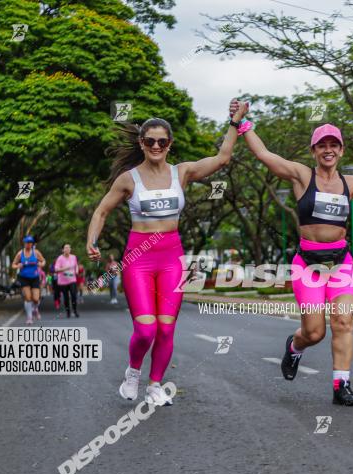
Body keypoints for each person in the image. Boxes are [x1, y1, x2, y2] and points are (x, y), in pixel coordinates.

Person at [231, 99, 353, 406]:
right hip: (307, 265)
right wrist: (242, 123)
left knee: (343, 322)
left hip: (341, 263)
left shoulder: (352, 183)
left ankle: (341, 385)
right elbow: (265, 155)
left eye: (334, 145)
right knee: (315, 332)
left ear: (341, 151)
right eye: (322, 145)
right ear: (314, 151)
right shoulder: (301, 176)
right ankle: (294, 347)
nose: (328, 150)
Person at [87, 104, 248, 406]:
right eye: (150, 141)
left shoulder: (182, 172)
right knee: (146, 330)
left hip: (172, 258)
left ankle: (155, 385)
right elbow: (101, 210)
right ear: (142, 144)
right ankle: (133, 372)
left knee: (166, 327)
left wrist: (234, 122)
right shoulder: (128, 179)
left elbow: (223, 157)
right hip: (139, 260)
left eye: (162, 141)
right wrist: (92, 240)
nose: (157, 146)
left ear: (170, 144)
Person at [11, 235, 45, 325]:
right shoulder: (20, 253)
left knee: (36, 299)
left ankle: (35, 309)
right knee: (28, 298)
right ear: (24, 243)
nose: (28, 244)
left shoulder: (36, 252)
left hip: (34, 277)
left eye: (30, 243)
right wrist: (18, 265)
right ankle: (29, 317)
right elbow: (13, 265)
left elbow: (43, 261)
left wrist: (41, 264)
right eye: (27, 243)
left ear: (32, 244)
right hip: (24, 278)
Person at [54, 244, 79, 318]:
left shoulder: (73, 257)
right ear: (63, 250)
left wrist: (76, 271)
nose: (67, 249)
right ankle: (68, 311)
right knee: (66, 297)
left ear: (70, 249)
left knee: (74, 295)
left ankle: (75, 310)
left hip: (72, 279)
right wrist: (65, 268)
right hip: (63, 281)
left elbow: (76, 265)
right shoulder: (60, 258)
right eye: (66, 248)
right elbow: (56, 269)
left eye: (69, 248)